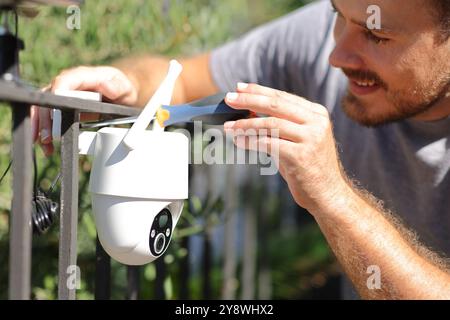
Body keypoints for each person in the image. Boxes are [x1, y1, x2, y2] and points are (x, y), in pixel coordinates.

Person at [32, 0, 450, 299]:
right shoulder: (318, 38)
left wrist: (335, 198)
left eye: (377, 35)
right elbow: (180, 81)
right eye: (339, 16)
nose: (337, 55)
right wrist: (126, 85)